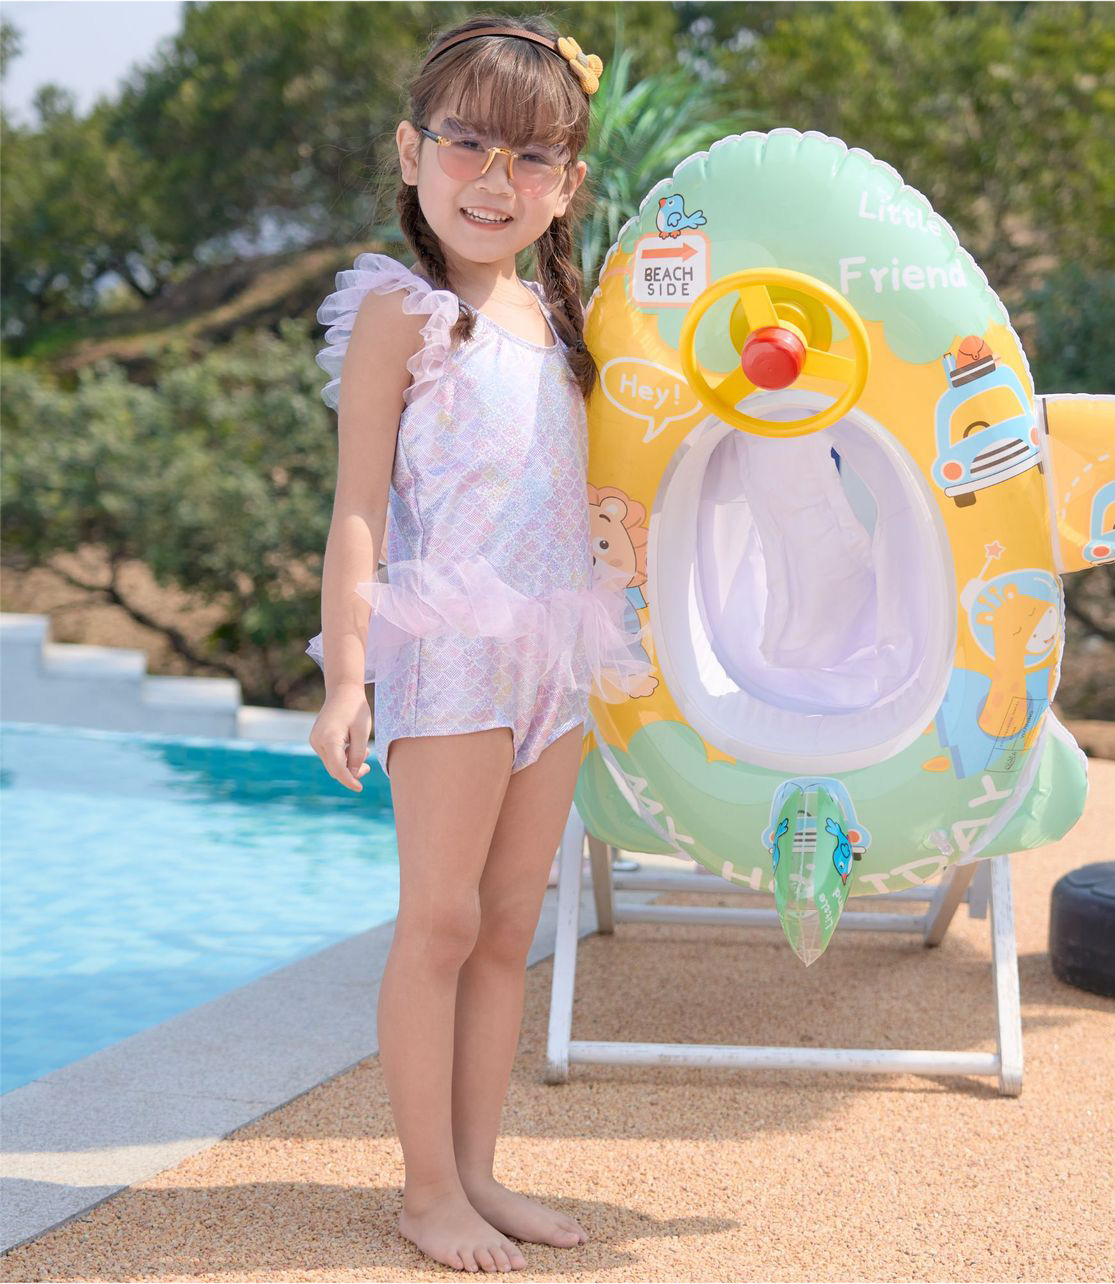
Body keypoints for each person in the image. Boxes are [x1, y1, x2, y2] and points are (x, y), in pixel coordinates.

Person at [304, 14, 646, 1274]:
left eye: (531, 157)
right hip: (448, 642)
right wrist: (347, 674)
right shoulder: (403, 313)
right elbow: (357, 505)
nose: (495, 181)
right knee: (440, 921)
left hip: (555, 648)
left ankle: (478, 1169)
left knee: (508, 926)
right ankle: (425, 1192)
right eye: (468, 145)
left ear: (567, 185)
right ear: (412, 153)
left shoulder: (560, 323)